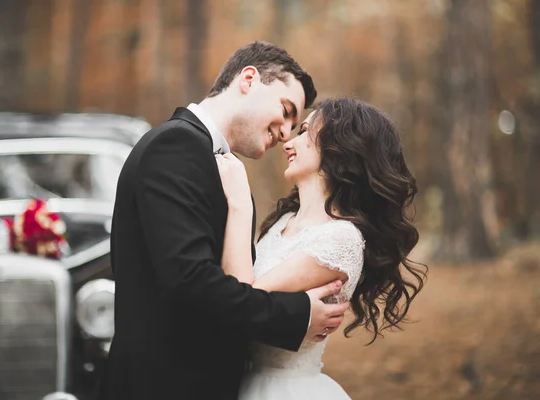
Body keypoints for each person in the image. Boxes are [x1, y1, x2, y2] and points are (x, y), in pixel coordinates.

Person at [98, 42, 351, 400]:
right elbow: (190, 281)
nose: (286, 134)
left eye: (295, 125)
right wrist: (296, 316)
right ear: (249, 79)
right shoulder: (175, 147)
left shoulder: (215, 165)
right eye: (286, 110)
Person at [215, 97, 428, 399]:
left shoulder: (341, 239)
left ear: (341, 148)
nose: (289, 141)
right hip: (240, 381)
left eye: (304, 131)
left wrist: (238, 203)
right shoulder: (284, 221)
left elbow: (242, 299)